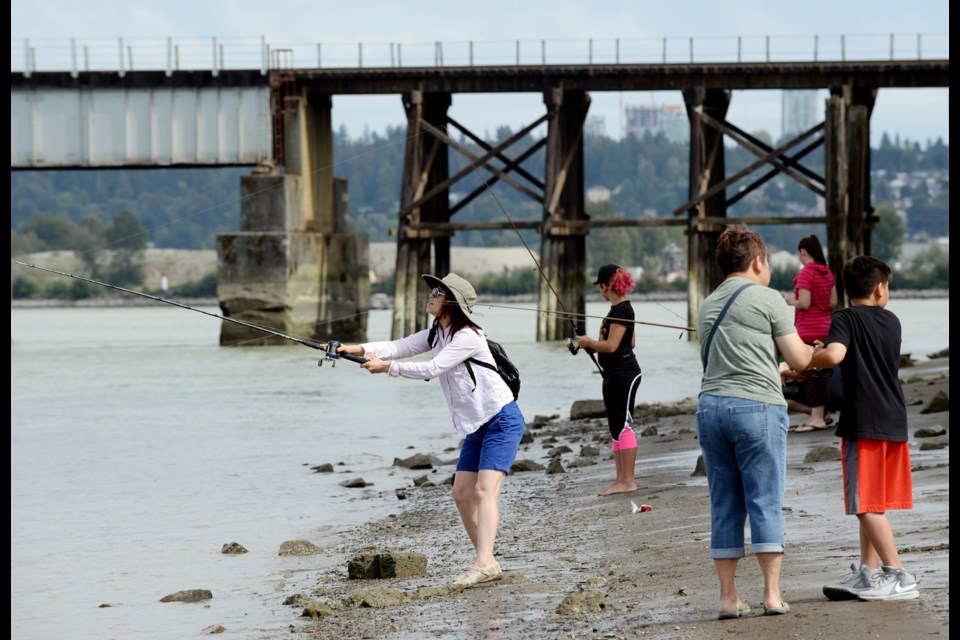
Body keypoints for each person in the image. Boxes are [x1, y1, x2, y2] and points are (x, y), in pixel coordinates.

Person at [337, 272, 526, 589]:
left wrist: (388, 369)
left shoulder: (468, 336)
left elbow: (432, 368)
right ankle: (488, 559)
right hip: (477, 425)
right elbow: (398, 346)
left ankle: (483, 562)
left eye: (438, 291)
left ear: (451, 301)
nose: (431, 294)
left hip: (501, 420)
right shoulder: (437, 333)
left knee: (483, 492)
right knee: (462, 494)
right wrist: (354, 349)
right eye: (433, 290)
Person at [696, 225, 813, 619]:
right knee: (764, 500)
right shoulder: (769, 299)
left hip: (710, 409)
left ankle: (728, 598)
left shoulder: (708, 303)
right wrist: (812, 355)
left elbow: (721, 362)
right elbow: (800, 361)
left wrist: (772, 366)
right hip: (757, 409)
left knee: (725, 504)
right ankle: (772, 595)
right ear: (758, 261)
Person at [806, 256, 919, 601]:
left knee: (863, 504)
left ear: (846, 289)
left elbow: (836, 355)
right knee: (874, 502)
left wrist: (813, 356)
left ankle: (899, 574)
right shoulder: (892, 320)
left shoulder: (845, 317)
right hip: (893, 419)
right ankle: (867, 574)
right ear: (881, 288)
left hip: (864, 421)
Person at [575, 264, 643, 497]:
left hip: (624, 373)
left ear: (605, 286)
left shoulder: (621, 310)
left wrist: (589, 343)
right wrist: (595, 348)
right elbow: (630, 342)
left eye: (600, 287)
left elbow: (613, 346)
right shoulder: (621, 309)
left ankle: (629, 481)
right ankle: (620, 479)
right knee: (615, 427)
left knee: (624, 425)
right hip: (614, 373)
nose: (600, 291)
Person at [784, 234, 838, 432]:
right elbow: (833, 302)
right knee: (818, 373)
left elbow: (804, 303)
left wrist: (790, 301)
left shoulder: (806, 272)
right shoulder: (827, 272)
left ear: (803, 252)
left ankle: (817, 418)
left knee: (810, 373)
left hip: (807, 329)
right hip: (826, 327)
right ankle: (817, 415)